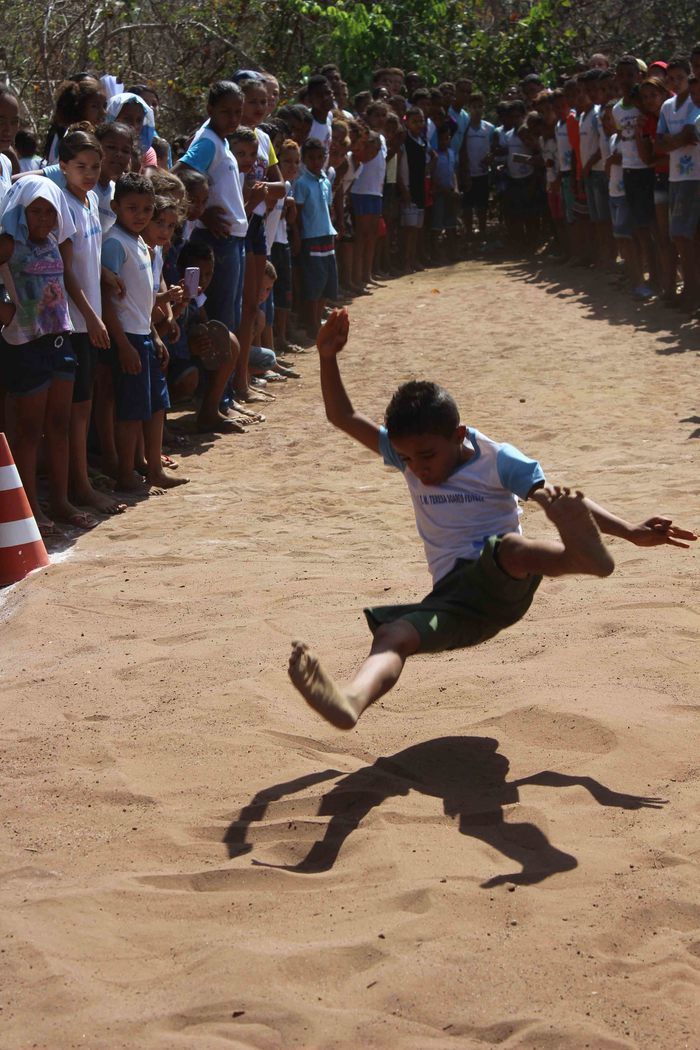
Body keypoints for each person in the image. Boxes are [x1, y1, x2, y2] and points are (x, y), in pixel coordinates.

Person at [287, 308, 697, 730]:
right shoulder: (408, 453)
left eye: (427, 456)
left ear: (459, 435)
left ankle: (585, 559)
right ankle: (351, 700)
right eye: (407, 458)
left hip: (503, 582)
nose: (418, 469)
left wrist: (629, 531)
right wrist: (326, 356)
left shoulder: (498, 460)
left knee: (510, 547)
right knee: (393, 634)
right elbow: (343, 418)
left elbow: (559, 502)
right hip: (452, 603)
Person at [0, 176, 83, 537]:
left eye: (51, 211)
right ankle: (31, 507)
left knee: (59, 425)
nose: (45, 219)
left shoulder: (54, 242)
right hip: (25, 346)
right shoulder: (6, 245)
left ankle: (61, 502)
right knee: (29, 430)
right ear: (21, 211)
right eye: (36, 211)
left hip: (60, 342)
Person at [101, 173, 186, 492]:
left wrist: (155, 332)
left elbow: (140, 298)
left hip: (143, 335)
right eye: (132, 208)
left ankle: (153, 469)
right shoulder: (114, 243)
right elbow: (106, 298)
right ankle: (125, 473)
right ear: (116, 207)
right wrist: (123, 344)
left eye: (146, 209)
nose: (140, 215)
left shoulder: (141, 244)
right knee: (131, 410)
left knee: (155, 404)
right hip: (128, 338)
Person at [175, 81, 248, 339]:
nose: (233, 118)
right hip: (216, 238)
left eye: (238, 112)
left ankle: (228, 378)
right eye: (225, 112)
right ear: (210, 109)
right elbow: (179, 175)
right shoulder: (207, 141)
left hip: (231, 238)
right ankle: (220, 380)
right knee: (220, 315)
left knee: (229, 312)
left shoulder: (222, 140)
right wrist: (202, 212)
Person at [656, 57, 700, 309]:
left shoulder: (696, 103)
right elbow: (660, 143)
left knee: (685, 236)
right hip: (676, 176)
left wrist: (674, 140)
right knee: (682, 237)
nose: (675, 83)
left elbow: (690, 135)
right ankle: (691, 290)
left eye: (679, 78)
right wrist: (678, 139)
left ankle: (693, 292)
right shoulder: (667, 106)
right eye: (670, 79)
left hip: (694, 176)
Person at [291, 137, 338, 338]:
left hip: (327, 235)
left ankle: (318, 321)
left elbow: (328, 207)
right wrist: (298, 236)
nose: (317, 162)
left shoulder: (325, 180)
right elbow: (298, 214)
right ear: (305, 159)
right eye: (312, 158)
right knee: (313, 283)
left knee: (327, 281)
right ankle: (312, 324)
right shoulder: (302, 183)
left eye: (320, 157)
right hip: (311, 237)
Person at [462, 91, 494, 240]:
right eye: (474, 107)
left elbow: (494, 148)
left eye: (480, 106)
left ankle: (482, 232)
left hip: (483, 173)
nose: (477, 110)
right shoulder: (464, 127)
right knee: (467, 206)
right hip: (467, 172)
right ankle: (468, 233)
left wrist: (490, 157)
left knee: (482, 205)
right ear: (469, 108)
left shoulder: (489, 128)